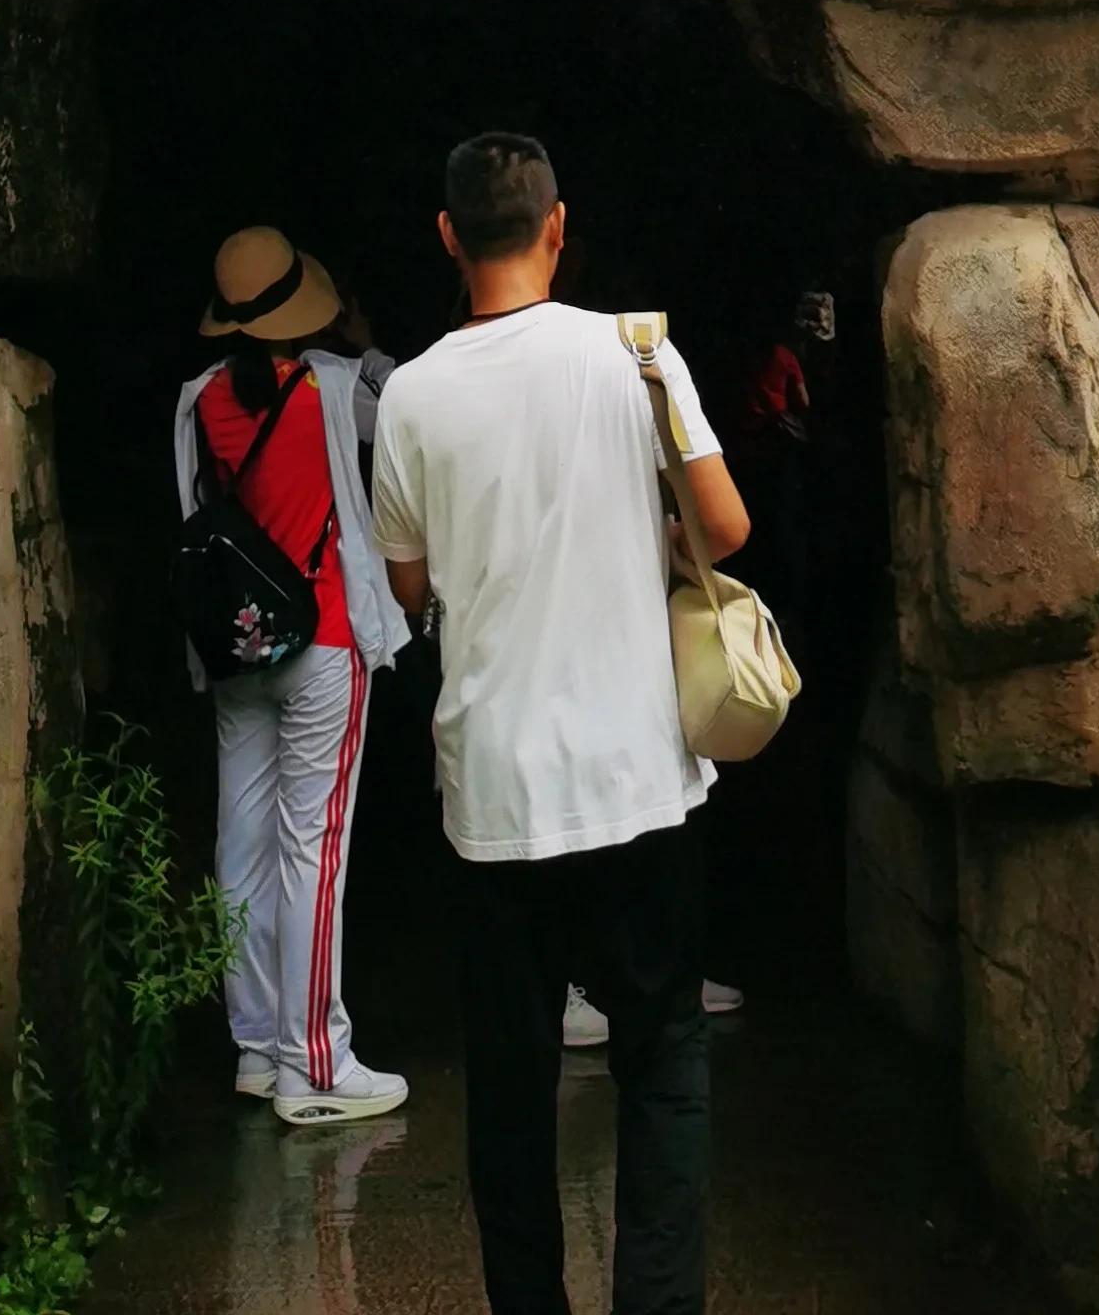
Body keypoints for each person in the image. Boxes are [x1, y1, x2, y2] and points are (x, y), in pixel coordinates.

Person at [371, 135, 750, 1315]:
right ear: (556, 227)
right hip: (640, 776)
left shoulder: (413, 394)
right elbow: (727, 529)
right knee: (663, 1066)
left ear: (446, 236)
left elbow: (409, 588)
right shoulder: (637, 353)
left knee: (510, 1089)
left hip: (493, 794)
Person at [174, 225, 412, 1126]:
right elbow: (408, 397)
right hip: (323, 641)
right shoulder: (337, 388)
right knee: (314, 849)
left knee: (242, 843)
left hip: (238, 645)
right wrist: (356, 334)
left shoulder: (196, 402)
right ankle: (317, 1059)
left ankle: (256, 1048)